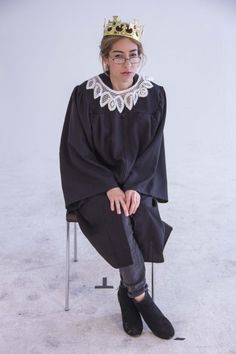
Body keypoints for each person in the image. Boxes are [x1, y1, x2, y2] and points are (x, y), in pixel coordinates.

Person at [60, 15, 175, 339]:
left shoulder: (155, 95)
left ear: (141, 56)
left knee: (139, 214)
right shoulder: (84, 95)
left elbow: (154, 149)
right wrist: (108, 185)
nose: (128, 63)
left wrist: (136, 186)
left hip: (140, 180)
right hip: (94, 183)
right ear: (105, 58)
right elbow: (75, 147)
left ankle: (126, 294)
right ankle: (139, 295)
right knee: (117, 216)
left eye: (133, 55)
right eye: (118, 56)